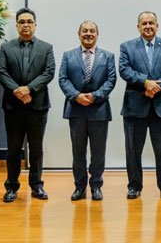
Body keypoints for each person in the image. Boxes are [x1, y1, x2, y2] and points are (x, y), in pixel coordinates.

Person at [119, 11, 161, 199]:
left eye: (151, 23)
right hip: (135, 106)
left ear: (157, 26)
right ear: (138, 27)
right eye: (144, 23)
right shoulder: (127, 47)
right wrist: (146, 83)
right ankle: (134, 186)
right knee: (133, 150)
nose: (148, 26)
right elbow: (124, 70)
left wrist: (156, 86)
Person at [0, 7, 55, 202]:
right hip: (13, 107)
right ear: (17, 25)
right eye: (22, 22)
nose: (26, 25)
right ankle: (11, 187)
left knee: (36, 148)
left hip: (37, 106)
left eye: (29, 22)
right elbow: (2, 72)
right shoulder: (6, 47)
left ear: (35, 25)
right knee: (13, 149)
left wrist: (28, 89)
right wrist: (17, 91)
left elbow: (49, 72)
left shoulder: (46, 47)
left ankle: (37, 186)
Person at [59, 21, 116, 201]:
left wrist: (94, 96)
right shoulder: (68, 56)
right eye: (85, 31)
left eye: (92, 31)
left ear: (97, 34)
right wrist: (76, 96)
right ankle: (79, 187)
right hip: (76, 110)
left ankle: (96, 186)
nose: (88, 34)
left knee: (98, 152)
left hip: (99, 110)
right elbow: (63, 79)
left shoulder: (108, 56)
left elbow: (111, 80)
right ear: (79, 34)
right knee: (78, 152)